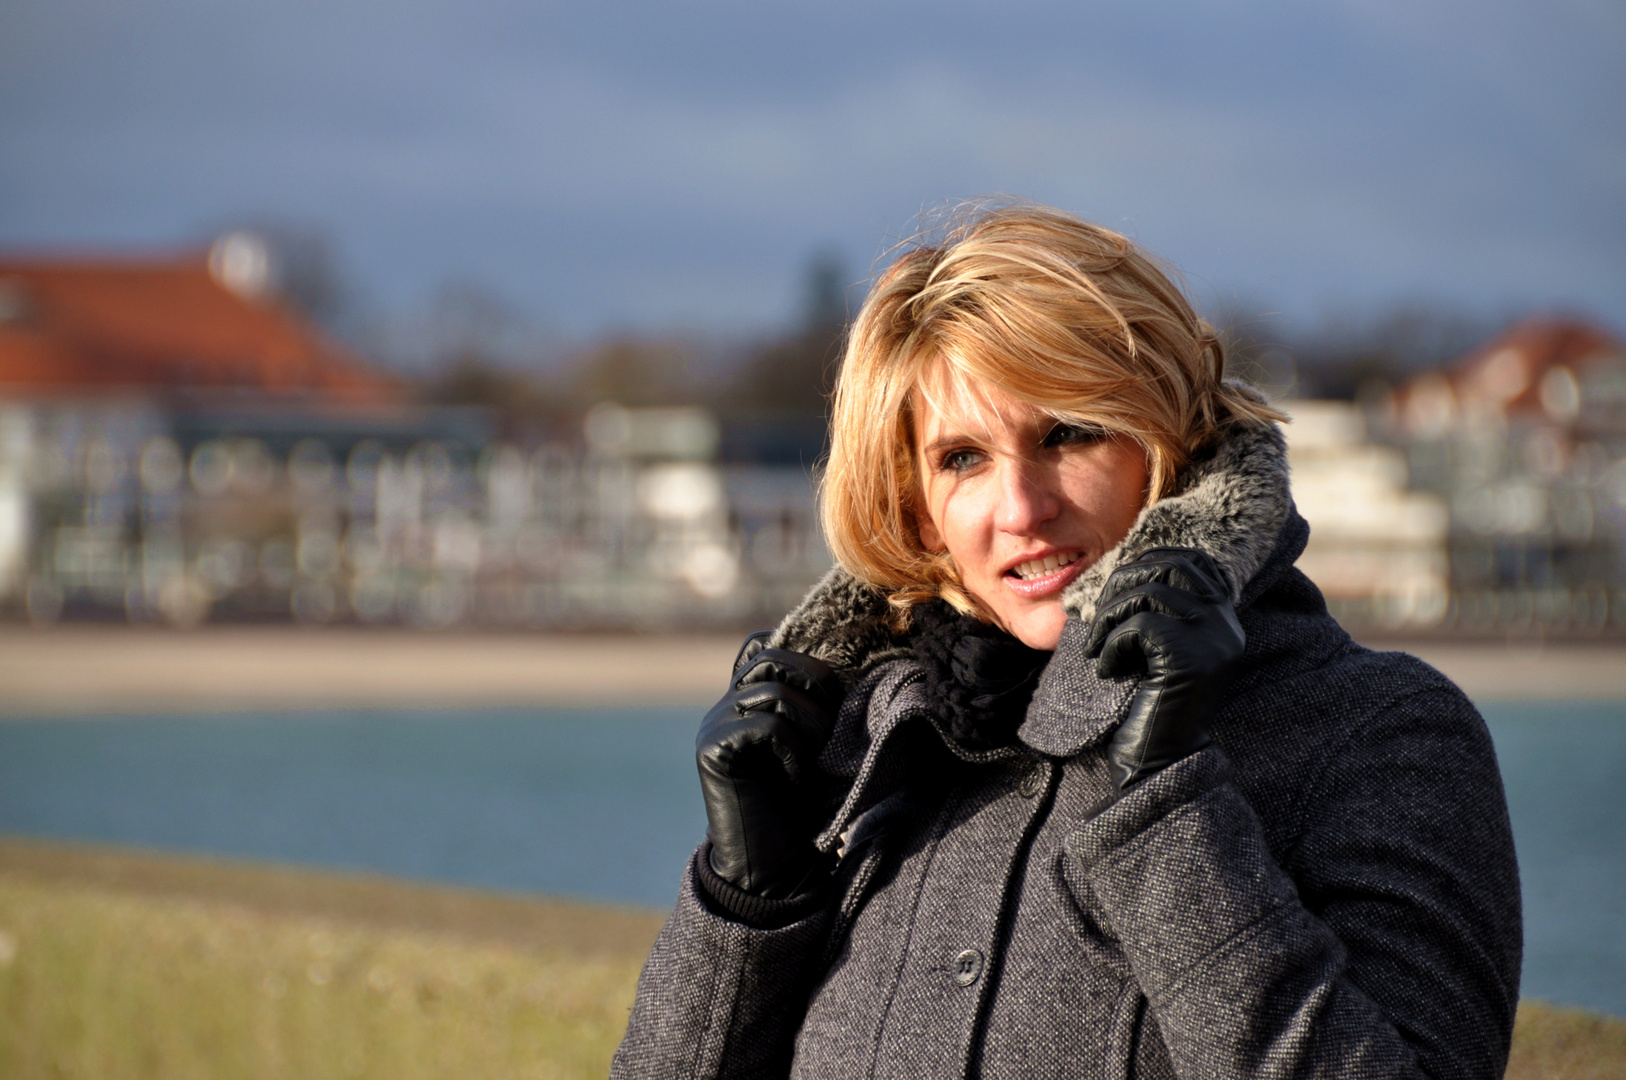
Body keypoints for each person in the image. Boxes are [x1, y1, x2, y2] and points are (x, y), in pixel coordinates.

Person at [611, 204, 1521, 1079]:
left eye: (1069, 433)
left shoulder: (1384, 731)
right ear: (918, 506)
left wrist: (1166, 800)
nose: (1021, 510)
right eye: (961, 458)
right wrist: (749, 898)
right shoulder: (867, 749)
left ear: (1174, 435)